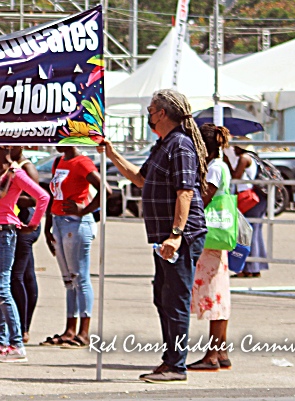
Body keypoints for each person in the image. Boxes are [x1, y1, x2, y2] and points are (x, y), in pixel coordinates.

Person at [99, 89, 208, 383]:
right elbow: (142, 179)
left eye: (150, 110)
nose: (148, 115)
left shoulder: (181, 145)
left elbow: (185, 192)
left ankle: (177, 366)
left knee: (176, 298)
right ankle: (170, 359)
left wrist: (176, 235)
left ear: (162, 113)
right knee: (163, 296)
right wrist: (112, 154)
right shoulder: (163, 145)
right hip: (162, 235)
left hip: (180, 237)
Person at [0, 145, 49, 362]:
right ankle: (2, 342)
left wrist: (33, 224)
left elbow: (42, 197)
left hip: (1, 234)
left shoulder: (16, 174)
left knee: (1, 289)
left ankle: (17, 345)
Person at [41, 145, 100, 348]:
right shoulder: (59, 161)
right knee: (69, 280)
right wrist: (47, 225)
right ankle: (70, 329)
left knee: (80, 277)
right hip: (59, 222)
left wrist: (84, 210)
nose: (56, 142)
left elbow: (104, 189)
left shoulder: (82, 162)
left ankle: (84, 332)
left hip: (76, 224)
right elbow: (53, 196)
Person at [188, 123, 233, 372]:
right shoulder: (220, 166)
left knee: (214, 296)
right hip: (216, 238)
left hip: (210, 237)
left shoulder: (215, 168)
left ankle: (212, 354)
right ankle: (221, 351)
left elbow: (202, 200)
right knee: (218, 293)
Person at [10, 146, 40, 343]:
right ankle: (23, 326)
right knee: (27, 275)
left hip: (25, 226)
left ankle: (22, 326)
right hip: (17, 224)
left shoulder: (26, 167)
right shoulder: (8, 165)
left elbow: (36, 198)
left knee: (17, 277)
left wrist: (7, 195)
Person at [225, 141, 266, 277]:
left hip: (247, 198)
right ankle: (255, 267)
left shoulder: (244, 158)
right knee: (255, 232)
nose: (234, 149)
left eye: (236, 147)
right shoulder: (253, 158)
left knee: (246, 233)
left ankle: (247, 267)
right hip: (256, 199)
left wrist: (226, 162)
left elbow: (235, 176)